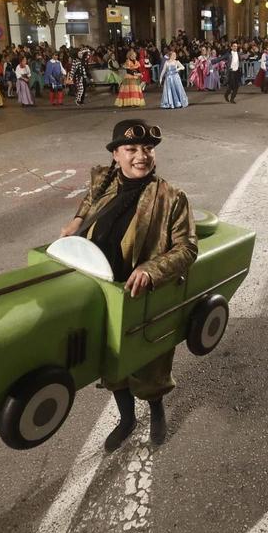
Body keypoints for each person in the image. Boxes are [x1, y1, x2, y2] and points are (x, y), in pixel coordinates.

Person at [58, 120, 197, 449]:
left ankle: (157, 412)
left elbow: (188, 248)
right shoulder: (104, 181)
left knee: (150, 364)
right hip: (101, 291)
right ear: (116, 155)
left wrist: (152, 269)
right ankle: (127, 419)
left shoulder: (172, 198)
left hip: (141, 297)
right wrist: (78, 220)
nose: (141, 156)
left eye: (147, 149)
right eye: (131, 149)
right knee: (111, 362)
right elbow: (89, 202)